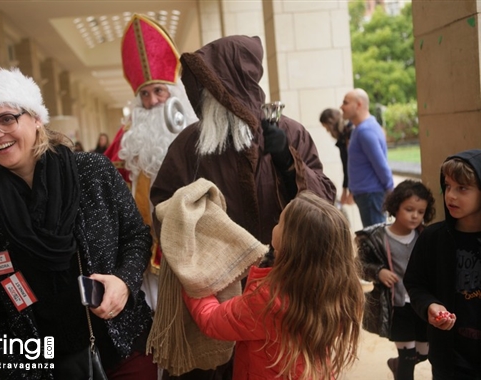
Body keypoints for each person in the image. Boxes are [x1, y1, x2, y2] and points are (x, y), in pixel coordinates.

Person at [150, 35, 336, 380]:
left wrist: (287, 161)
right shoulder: (190, 143)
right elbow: (162, 207)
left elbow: (325, 207)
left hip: (282, 302)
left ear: (235, 87)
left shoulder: (291, 133)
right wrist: (205, 251)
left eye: (212, 88)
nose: (205, 99)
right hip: (212, 299)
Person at [0, 67, 157, 380]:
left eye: (7, 118)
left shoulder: (92, 173)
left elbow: (135, 236)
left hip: (123, 349)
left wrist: (123, 282)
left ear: (35, 118)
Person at [182, 191, 364, 380]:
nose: (275, 225)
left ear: (291, 243)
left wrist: (194, 277)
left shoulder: (268, 300)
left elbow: (212, 320)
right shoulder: (337, 289)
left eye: (280, 222)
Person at [104, 14, 198, 311]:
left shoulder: (195, 130)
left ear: (173, 94)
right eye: (145, 94)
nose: (154, 100)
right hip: (146, 250)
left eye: (159, 91)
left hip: (193, 247)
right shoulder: (127, 139)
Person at [404, 149, 481, 380]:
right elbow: (415, 283)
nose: (451, 196)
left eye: (462, 188)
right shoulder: (432, 238)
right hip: (450, 360)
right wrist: (430, 306)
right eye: (447, 186)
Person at [356, 179, 436, 380]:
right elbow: (360, 266)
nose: (415, 216)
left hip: (421, 306)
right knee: (408, 357)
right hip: (398, 307)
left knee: (423, 353)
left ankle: (396, 364)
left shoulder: (425, 236)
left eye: (420, 211)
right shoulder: (375, 238)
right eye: (409, 209)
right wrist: (379, 272)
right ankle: (402, 366)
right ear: (395, 206)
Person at [340, 88, 393, 227]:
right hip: (367, 196)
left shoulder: (366, 131)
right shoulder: (361, 128)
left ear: (358, 104)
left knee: (376, 241)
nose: (341, 107)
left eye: (345, 102)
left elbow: (381, 165)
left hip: (371, 196)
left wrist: (390, 190)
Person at [319, 108, 354, 206]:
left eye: (327, 128)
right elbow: (345, 165)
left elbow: (351, 165)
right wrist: (345, 190)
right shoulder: (344, 137)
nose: (327, 131)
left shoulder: (350, 133)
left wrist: (351, 191)